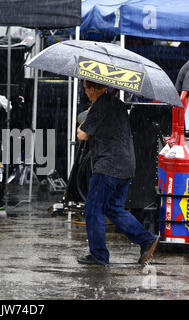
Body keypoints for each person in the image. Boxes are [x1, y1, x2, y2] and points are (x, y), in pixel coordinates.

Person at [76, 80, 159, 266]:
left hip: (107, 167)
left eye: (85, 87)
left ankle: (98, 256)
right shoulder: (117, 104)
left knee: (93, 209)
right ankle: (146, 240)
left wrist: (82, 123)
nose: (84, 91)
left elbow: (82, 134)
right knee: (113, 208)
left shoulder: (101, 105)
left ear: (90, 89)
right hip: (126, 166)